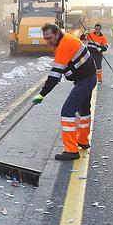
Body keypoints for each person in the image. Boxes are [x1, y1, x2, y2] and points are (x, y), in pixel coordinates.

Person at [33, 23, 97, 160]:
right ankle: (83, 141)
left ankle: (71, 150)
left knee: (67, 111)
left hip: (85, 81)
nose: (48, 41)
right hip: (88, 78)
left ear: (57, 33)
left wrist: (42, 94)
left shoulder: (64, 45)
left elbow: (54, 76)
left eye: (49, 38)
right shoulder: (66, 38)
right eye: (45, 39)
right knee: (84, 109)